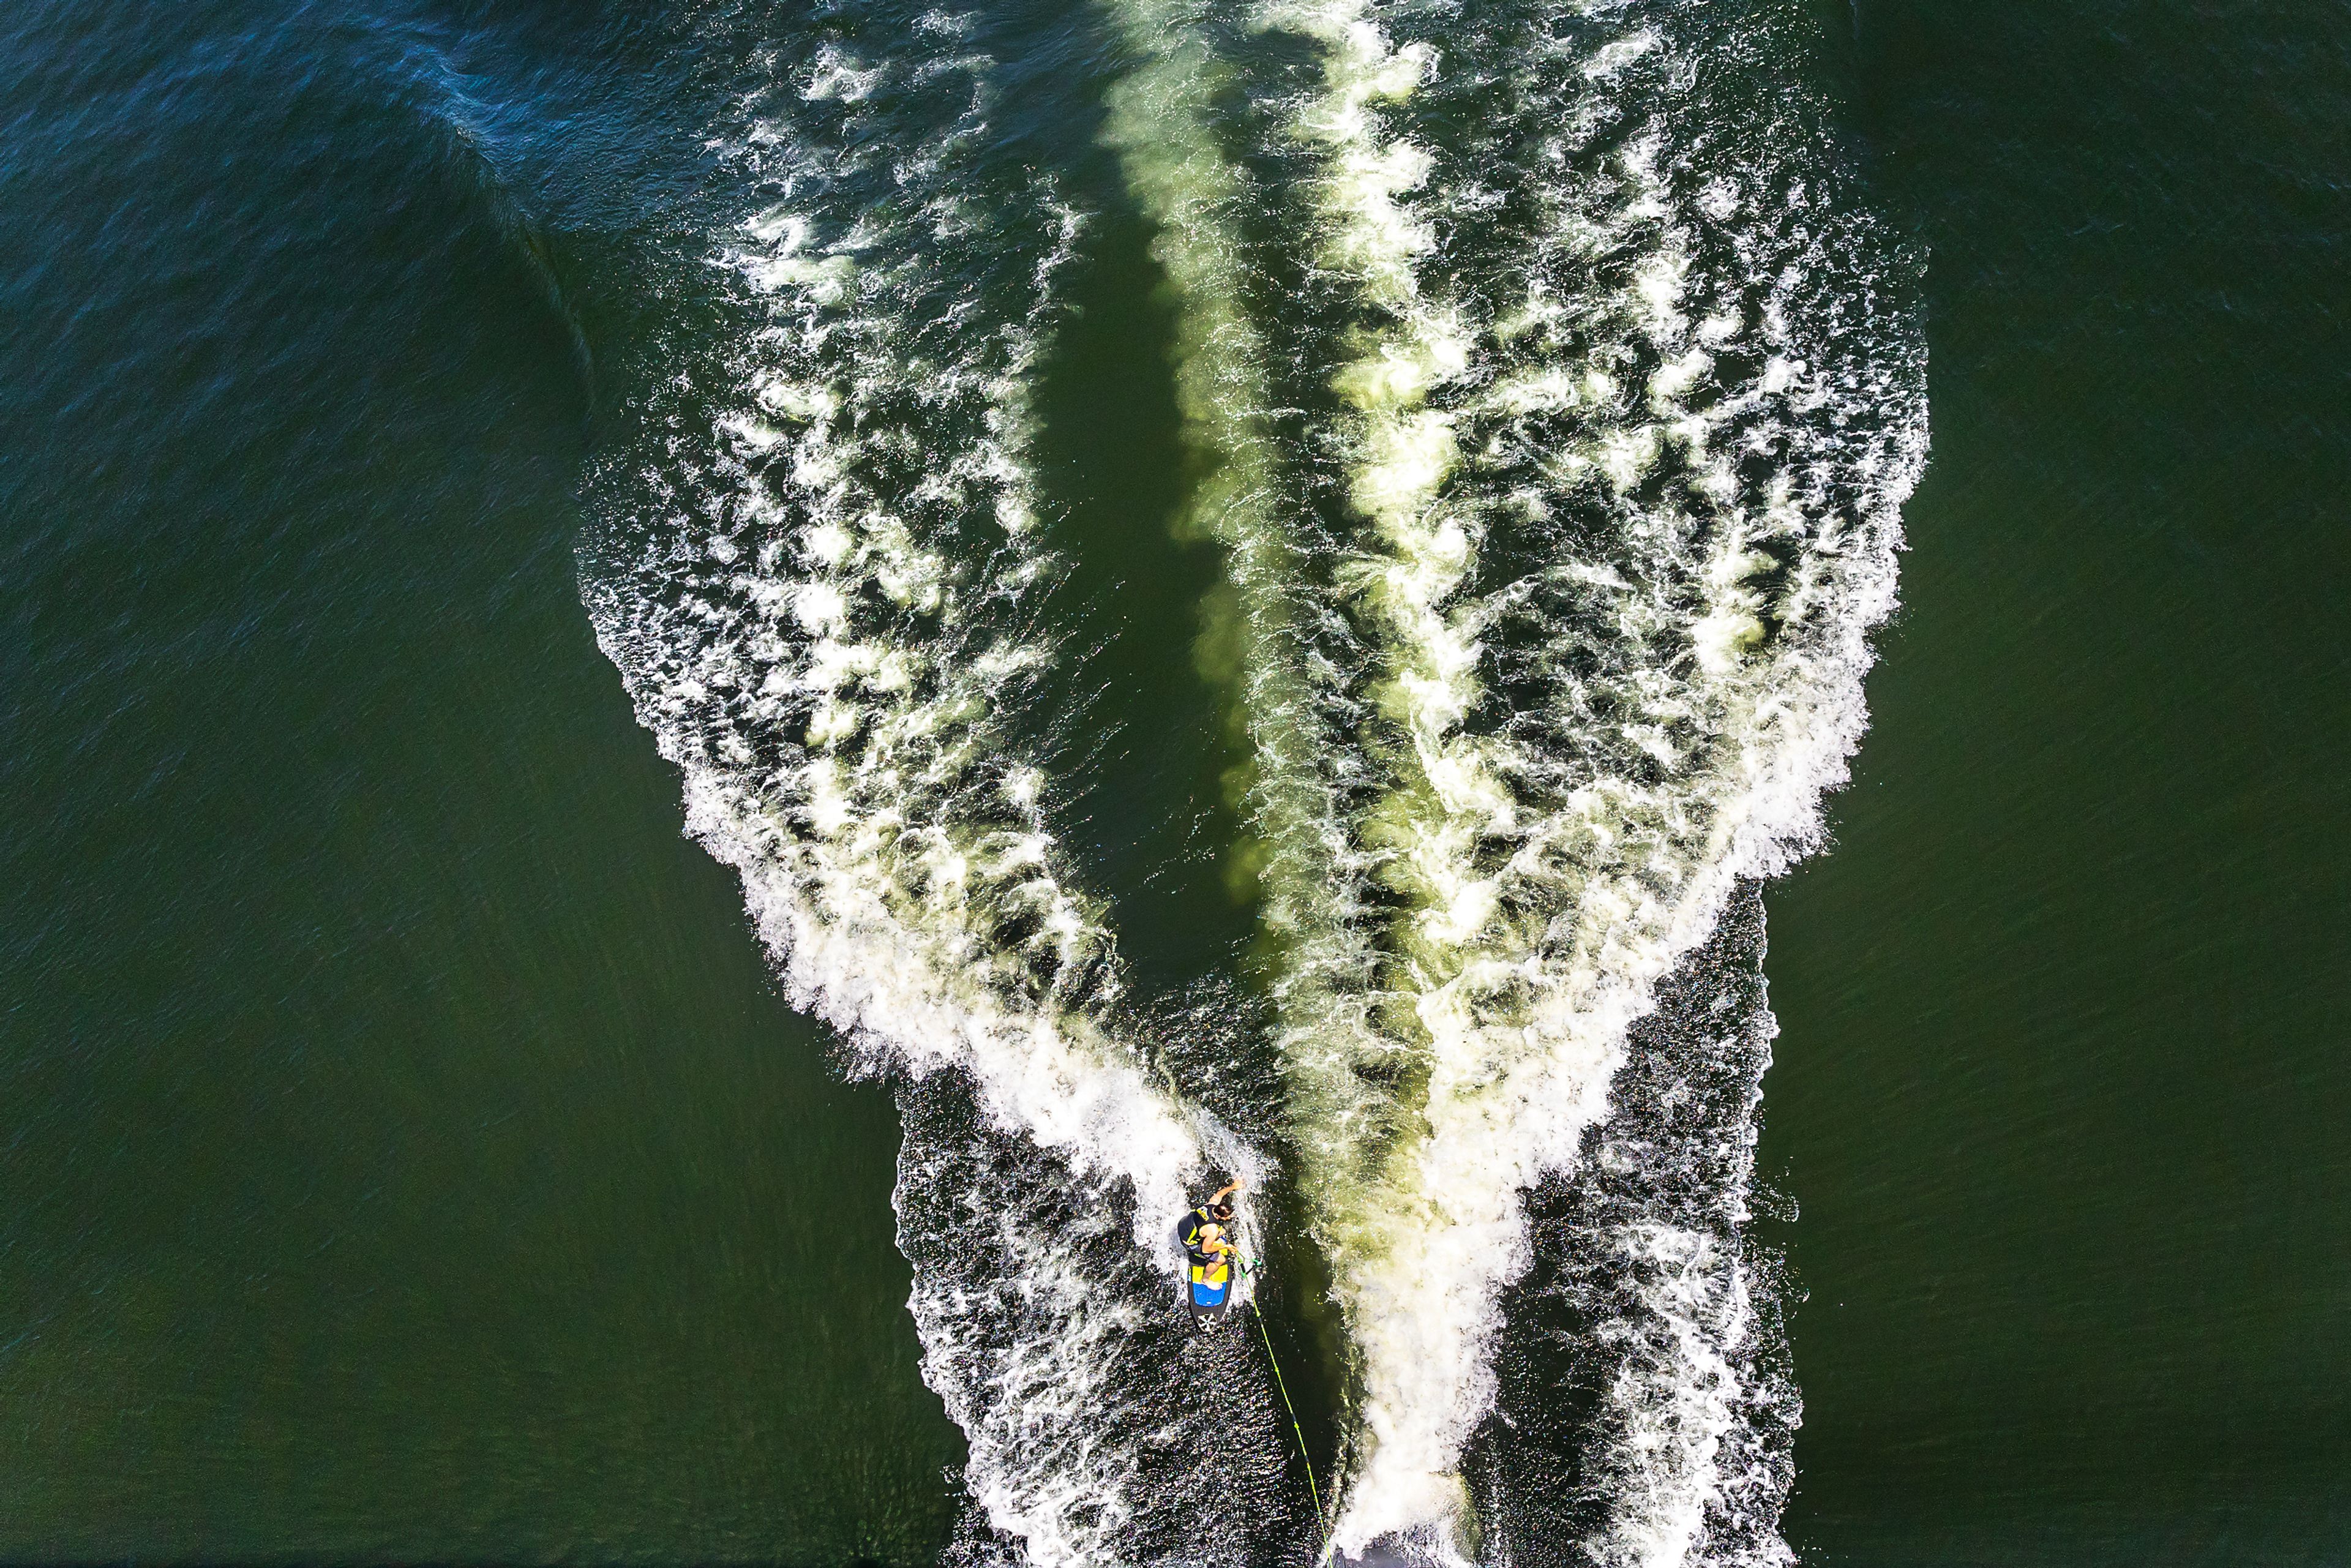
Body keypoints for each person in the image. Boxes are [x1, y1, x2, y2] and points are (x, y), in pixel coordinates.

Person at [1178, 1177, 1242, 1261]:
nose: (1229, 1218)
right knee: (1220, 1261)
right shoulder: (1212, 1229)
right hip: (1188, 1242)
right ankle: (1206, 1274)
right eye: (1227, 1217)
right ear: (1219, 1216)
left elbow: (1220, 1194)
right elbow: (1206, 1250)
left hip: (1183, 1226)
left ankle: (1206, 1239)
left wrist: (1233, 1187)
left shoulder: (1212, 1205)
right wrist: (1226, 1247)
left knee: (1223, 1231)